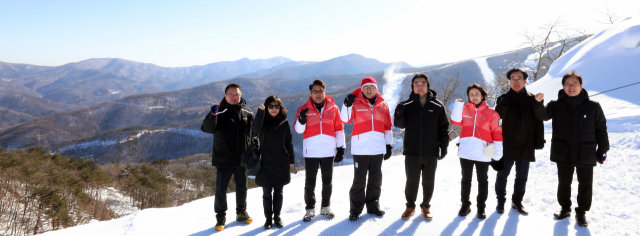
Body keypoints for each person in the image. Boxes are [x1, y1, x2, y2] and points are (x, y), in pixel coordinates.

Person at [532, 72, 609, 227]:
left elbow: (601, 129)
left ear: (581, 86)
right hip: (563, 150)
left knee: (585, 184)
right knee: (564, 182)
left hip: (586, 151)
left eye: (575, 83)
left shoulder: (593, 106)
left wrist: (603, 149)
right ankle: (565, 208)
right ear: (563, 86)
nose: (571, 87)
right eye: (568, 84)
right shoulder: (556, 105)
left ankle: (581, 212)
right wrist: (538, 103)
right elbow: (543, 116)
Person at [394, 74, 450, 220]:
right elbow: (400, 125)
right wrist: (399, 113)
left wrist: (443, 147)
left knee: (428, 181)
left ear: (428, 85)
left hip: (430, 151)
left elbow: (443, 128)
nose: (420, 86)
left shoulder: (437, 106)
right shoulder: (406, 105)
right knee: (411, 181)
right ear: (412, 86)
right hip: (412, 151)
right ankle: (410, 206)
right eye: (416, 83)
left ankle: (425, 206)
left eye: (423, 83)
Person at [201, 84, 254, 231]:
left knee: (242, 187)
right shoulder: (218, 111)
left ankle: (241, 212)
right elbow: (207, 129)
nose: (234, 97)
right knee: (221, 189)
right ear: (225, 96)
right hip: (223, 158)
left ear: (240, 95)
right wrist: (212, 116)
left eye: (236, 94)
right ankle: (220, 216)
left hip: (243, 158)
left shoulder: (247, 112)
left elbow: (253, 133)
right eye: (230, 94)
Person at [341, 76, 393, 221]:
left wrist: (388, 144)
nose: (369, 90)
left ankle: (373, 206)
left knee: (376, 179)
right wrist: (346, 105)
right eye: (366, 87)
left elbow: (388, 126)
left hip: (377, 147)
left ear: (376, 89)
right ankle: (355, 210)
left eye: (372, 87)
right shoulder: (355, 102)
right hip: (361, 148)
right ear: (362, 89)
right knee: (359, 180)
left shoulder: (383, 105)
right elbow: (345, 119)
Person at [494, 68, 545, 215]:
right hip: (507, 144)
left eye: (519, 78)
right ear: (509, 81)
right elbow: (497, 121)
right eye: (513, 78)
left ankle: (517, 202)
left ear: (525, 80)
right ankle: (500, 202)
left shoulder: (532, 99)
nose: (516, 81)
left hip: (526, 144)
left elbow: (539, 121)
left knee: (522, 177)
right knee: (502, 175)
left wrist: (538, 142)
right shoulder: (503, 99)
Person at [294, 79, 346, 222]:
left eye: (320, 91)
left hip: (328, 151)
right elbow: (298, 130)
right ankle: (310, 209)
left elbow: (339, 130)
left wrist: (341, 147)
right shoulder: (303, 109)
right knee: (310, 183)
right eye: (314, 91)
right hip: (311, 152)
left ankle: (325, 207)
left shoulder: (333, 109)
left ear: (325, 92)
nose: (318, 94)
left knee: (327, 182)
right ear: (310, 93)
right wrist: (301, 120)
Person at [450, 84, 504, 219]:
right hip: (466, 151)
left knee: (482, 181)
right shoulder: (464, 109)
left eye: (476, 94)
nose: (474, 97)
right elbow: (455, 122)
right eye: (471, 94)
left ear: (482, 95)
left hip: (483, 152)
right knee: (465, 180)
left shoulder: (492, 113)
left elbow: (497, 133)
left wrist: (498, 154)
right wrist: (457, 105)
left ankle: (481, 208)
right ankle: (465, 205)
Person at [252, 96, 295, 229]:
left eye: (277, 106)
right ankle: (268, 219)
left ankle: (277, 217)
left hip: (281, 161)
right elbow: (255, 129)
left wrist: (292, 158)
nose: (274, 109)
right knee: (266, 194)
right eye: (271, 106)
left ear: (280, 108)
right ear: (266, 107)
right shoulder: (263, 122)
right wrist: (260, 112)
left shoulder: (284, 122)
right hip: (266, 162)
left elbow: (289, 141)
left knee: (279, 193)